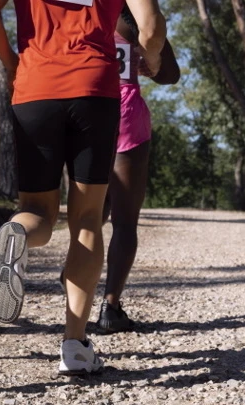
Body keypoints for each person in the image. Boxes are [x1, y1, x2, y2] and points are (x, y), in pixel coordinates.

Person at [0, 0, 166, 375]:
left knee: (37, 211)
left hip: (35, 87)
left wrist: (12, 60)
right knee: (88, 219)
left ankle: (17, 235)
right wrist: (153, 60)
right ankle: (75, 346)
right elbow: (152, 28)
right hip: (95, 89)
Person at [97, 8, 180, 333]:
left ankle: (73, 286)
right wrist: (152, 63)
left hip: (86, 111)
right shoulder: (132, 14)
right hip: (126, 113)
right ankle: (111, 307)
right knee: (125, 220)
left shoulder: (79, 8)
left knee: (91, 211)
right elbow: (170, 73)